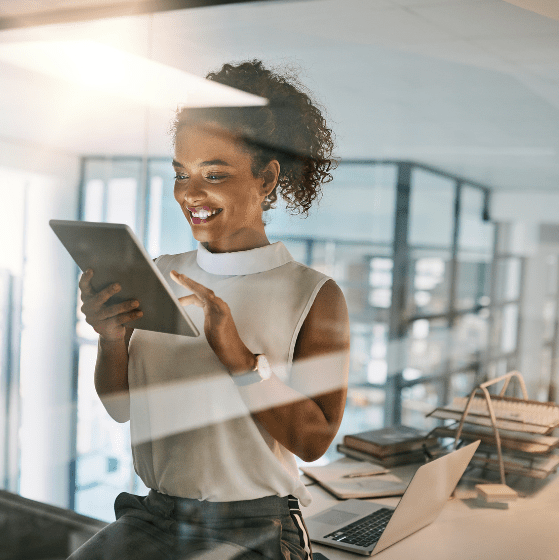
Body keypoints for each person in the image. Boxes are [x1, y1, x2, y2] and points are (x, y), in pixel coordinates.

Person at [70, 60, 350, 560]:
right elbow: (119, 406)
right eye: (182, 174)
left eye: (214, 174)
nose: (190, 194)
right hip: (155, 519)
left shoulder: (312, 293)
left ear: (266, 179)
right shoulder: (157, 272)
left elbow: (314, 441)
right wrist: (110, 338)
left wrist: (239, 360)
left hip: (253, 529)